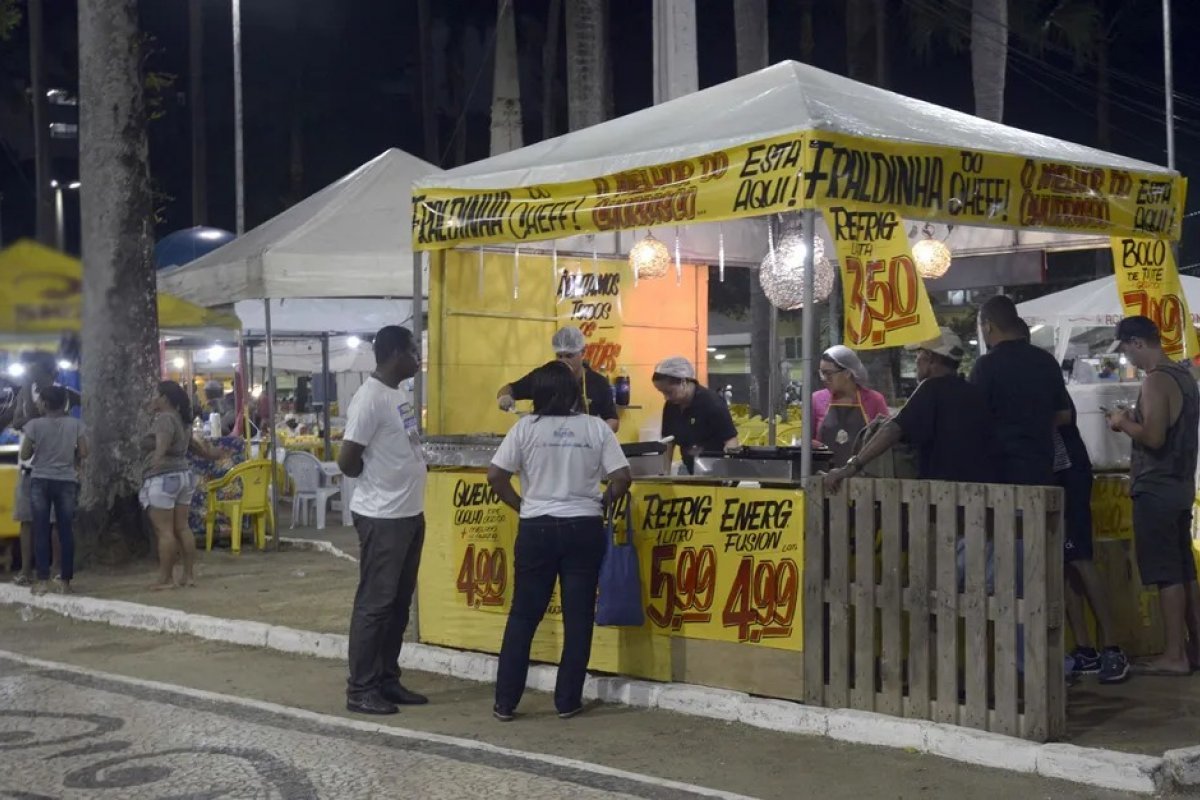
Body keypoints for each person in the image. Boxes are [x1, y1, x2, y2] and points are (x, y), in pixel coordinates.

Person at [487, 361, 632, 721]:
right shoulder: (595, 427)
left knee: (524, 615)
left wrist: (523, 507)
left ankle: (506, 701)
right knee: (578, 617)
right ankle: (567, 701)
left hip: (536, 528)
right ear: (573, 393)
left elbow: (496, 476)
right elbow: (622, 477)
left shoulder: (525, 430)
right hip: (583, 527)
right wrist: (601, 503)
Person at [337, 325, 428, 715]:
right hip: (383, 516)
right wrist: (370, 478)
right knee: (375, 604)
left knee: (398, 604)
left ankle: (387, 679)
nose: (418, 356)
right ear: (394, 354)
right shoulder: (369, 398)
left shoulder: (398, 393)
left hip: (408, 514)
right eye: (413, 349)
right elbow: (347, 459)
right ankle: (361, 689)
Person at [1107, 316, 1200, 676]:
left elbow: (1155, 437)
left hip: (1157, 487)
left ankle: (1174, 654)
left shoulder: (1156, 381)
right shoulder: (1184, 378)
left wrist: (1121, 422)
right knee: (1184, 571)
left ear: (1137, 343)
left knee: (1166, 574)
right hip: (1179, 486)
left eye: (1127, 349)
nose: (1127, 357)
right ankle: (1193, 649)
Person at [823, 329, 996, 490]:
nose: (916, 360)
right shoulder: (974, 392)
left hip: (941, 494)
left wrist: (851, 467)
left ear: (930, 358)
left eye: (918, 354)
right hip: (978, 492)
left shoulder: (931, 388)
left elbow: (893, 429)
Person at [1056, 392, 1130, 683]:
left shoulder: (1044, 378)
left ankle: (1113, 647)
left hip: (1069, 475)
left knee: (1081, 559)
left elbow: (1064, 417)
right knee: (1065, 563)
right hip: (1052, 475)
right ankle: (1086, 650)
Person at [971, 295, 1071, 486]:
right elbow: (1064, 415)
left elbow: (974, 418)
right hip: (1042, 465)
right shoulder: (1047, 361)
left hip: (1000, 470)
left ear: (988, 325)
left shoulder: (985, 366)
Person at [140, 381, 225, 590]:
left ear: (165, 399)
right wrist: (213, 455)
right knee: (182, 528)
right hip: (184, 475)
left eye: (156, 394)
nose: (153, 399)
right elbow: (195, 447)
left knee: (164, 532)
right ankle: (189, 575)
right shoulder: (183, 421)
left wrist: (155, 461)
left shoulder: (164, 420)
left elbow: (162, 445)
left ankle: (166, 578)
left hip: (163, 478)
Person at [18, 385, 86, 595]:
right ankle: (65, 581)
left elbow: (25, 454)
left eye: (39, 401)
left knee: (41, 530)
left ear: (46, 404)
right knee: (65, 530)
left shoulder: (34, 425)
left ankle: (42, 581)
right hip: (66, 480)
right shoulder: (75, 424)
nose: (37, 404)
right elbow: (84, 451)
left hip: (40, 480)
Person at [497, 326, 619, 433]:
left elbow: (613, 420)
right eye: (559, 356)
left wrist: (598, 434)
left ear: (583, 352)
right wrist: (504, 397)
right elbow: (508, 389)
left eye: (569, 356)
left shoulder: (598, 383)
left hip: (584, 449)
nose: (563, 361)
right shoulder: (544, 377)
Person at [9, 355, 61, 585]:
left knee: (55, 521)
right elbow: (17, 420)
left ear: (50, 374)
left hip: (53, 467)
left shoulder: (60, 394)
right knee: (26, 520)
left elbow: (38, 420)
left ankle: (57, 568)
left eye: (35, 370)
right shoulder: (23, 392)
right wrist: (28, 403)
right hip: (28, 469)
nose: (30, 374)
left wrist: (29, 413)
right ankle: (26, 571)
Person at [652, 356, 739, 474]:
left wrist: (728, 475)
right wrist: (664, 474)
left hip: (714, 471)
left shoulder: (712, 403)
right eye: (662, 393)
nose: (666, 397)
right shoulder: (671, 406)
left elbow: (731, 441)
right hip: (688, 468)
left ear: (683, 382)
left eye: (669, 392)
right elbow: (668, 443)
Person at [812, 345, 890, 468]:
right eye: (822, 373)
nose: (824, 379)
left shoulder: (874, 400)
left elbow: (886, 442)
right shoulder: (817, 399)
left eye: (828, 373)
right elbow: (806, 441)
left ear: (847, 373)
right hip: (824, 475)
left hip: (863, 477)